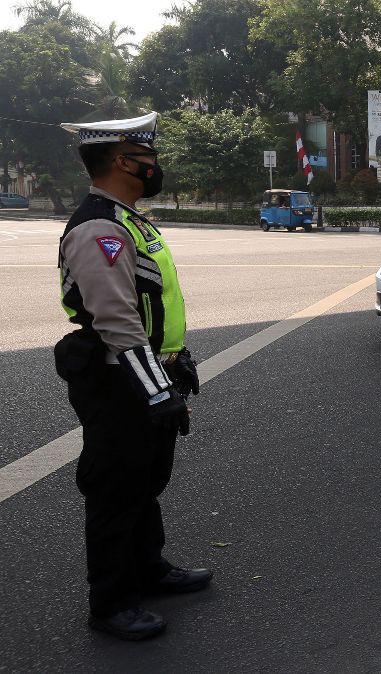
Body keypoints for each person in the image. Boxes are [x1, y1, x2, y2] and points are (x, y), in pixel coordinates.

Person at [54, 112, 210, 641]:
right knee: (116, 490)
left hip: (144, 373)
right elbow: (116, 321)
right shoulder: (101, 227)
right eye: (149, 157)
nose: (156, 166)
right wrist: (156, 391)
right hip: (117, 378)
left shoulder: (129, 219)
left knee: (145, 482)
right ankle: (112, 603)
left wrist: (176, 360)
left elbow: (153, 304)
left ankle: (150, 569)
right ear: (123, 161)